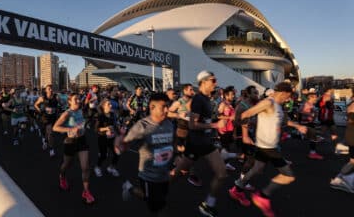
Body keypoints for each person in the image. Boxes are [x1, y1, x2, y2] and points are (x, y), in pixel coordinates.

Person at [229, 82, 307, 217]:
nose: (288, 99)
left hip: (268, 146)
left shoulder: (278, 106)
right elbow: (245, 114)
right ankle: (263, 196)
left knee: (256, 169)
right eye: (288, 96)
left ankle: (237, 188)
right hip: (267, 148)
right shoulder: (268, 103)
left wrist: (297, 126)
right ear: (283, 93)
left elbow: (284, 122)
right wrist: (245, 134)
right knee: (288, 176)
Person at [171, 70, 227, 217]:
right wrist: (215, 126)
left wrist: (216, 124)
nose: (215, 83)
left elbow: (205, 121)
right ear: (204, 82)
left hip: (206, 143)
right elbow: (192, 125)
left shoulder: (207, 99)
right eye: (213, 80)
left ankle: (208, 204)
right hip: (195, 143)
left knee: (222, 174)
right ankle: (158, 189)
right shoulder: (198, 99)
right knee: (179, 173)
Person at [118, 93, 174, 215]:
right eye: (163, 106)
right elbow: (125, 143)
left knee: (162, 201)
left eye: (168, 106)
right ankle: (130, 188)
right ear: (152, 107)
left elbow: (169, 146)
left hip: (164, 174)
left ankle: (131, 188)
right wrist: (120, 142)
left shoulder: (169, 124)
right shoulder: (142, 126)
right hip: (149, 176)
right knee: (153, 205)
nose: (167, 110)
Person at [52, 93, 95, 204]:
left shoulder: (80, 111)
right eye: (75, 99)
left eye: (78, 99)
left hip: (82, 140)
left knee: (85, 167)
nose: (78, 101)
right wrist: (69, 130)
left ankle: (86, 191)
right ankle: (62, 176)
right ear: (69, 102)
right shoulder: (67, 113)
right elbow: (55, 127)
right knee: (67, 165)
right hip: (70, 142)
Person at [330, 89, 354, 193]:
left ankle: (339, 179)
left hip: (351, 135)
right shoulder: (352, 105)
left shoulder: (351, 103)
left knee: (353, 161)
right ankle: (344, 181)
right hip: (352, 136)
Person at [94, 98, 120, 177]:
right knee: (103, 155)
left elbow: (115, 125)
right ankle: (97, 167)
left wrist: (119, 131)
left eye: (110, 104)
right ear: (103, 106)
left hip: (112, 138)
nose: (111, 105)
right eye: (108, 104)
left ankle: (111, 168)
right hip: (103, 138)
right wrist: (106, 128)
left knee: (117, 153)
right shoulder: (100, 116)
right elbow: (96, 129)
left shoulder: (112, 114)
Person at [34, 85, 60, 157]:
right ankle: (51, 149)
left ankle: (45, 141)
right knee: (49, 132)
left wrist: (58, 109)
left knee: (49, 133)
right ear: (46, 90)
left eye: (51, 88)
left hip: (53, 117)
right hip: (45, 117)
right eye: (49, 89)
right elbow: (35, 104)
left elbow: (60, 104)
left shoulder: (56, 97)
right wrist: (39, 110)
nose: (51, 90)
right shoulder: (42, 98)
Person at [299, 92, 324, 160]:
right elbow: (300, 111)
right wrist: (310, 114)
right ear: (310, 97)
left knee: (309, 137)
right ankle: (312, 153)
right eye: (315, 97)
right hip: (306, 123)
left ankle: (288, 135)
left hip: (310, 122)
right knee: (313, 138)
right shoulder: (306, 104)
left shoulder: (311, 104)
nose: (316, 98)